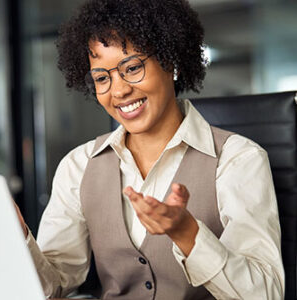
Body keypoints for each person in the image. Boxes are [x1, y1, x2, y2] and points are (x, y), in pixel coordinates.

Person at [15, 0, 285, 299]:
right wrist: (18, 236)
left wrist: (187, 234)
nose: (118, 91)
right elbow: (56, 287)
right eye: (102, 78)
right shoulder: (78, 166)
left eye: (132, 68)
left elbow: (265, 293)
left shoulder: (237, 159)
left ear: (172, 62)